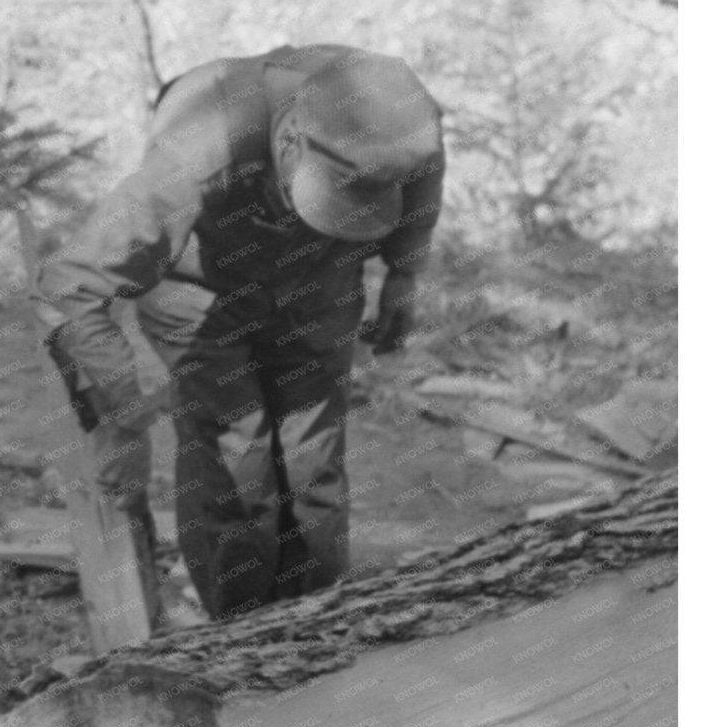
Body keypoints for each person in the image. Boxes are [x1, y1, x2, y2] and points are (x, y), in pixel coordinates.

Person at [33, 46, 445, 621]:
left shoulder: (396, 121)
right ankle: (241, 631)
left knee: (313, 457)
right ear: (288, 143)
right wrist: (120, 418)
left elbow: (425, 170)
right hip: (199, 289)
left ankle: (317, 620)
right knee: (237, 457)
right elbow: (70, 285)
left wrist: (404, 271)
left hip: (318, 276)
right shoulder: (204, 142)